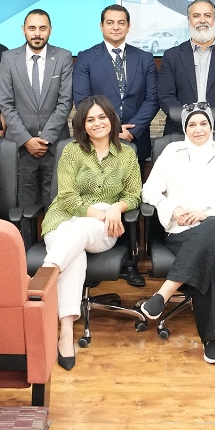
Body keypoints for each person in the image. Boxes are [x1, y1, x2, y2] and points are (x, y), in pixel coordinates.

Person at [136, 106, 215, 364]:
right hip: (181, 229)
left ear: (212, 127)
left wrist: (206, 213)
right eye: (192, 125)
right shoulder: (171, 152)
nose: (198, 129)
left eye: (203, 124)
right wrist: (172, 209)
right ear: (184, 128)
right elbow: (149, 191)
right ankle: (211, 340)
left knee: (208, 228)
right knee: (205, 258)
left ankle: (163, 294)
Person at [39, 96, 142, 370]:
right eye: (90, 119)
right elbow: (67, 198)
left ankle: (44, 277)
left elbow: (134, 195)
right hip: (63, 219)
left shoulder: (127, 155)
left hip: (104, 228)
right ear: (82, 125)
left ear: (112, 119)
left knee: (83, 230)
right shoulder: (72, 152)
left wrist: (115, 208)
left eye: (102, 117)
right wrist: (99, 212)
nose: (97, 123)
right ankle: (65, 332)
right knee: (76, 255)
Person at [71, 4, 157, 285]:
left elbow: (152, 99)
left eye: (121, 22)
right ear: (101, 26)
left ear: (129, 26)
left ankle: (129, 262)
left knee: (129, 201)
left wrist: (133, 129)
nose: (116, 27)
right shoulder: (86, 58)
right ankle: (95, 261)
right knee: (98, 197)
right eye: (110, 22)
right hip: (96, 143)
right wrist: (113, 129)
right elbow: (83, 100)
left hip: (135, 141)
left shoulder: (144, 58)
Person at [0, 9, 73, 244]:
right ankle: (27, 253)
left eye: (42, 28)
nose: (37, 33)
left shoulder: (63, 57)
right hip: (21, 147)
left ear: (50, 30)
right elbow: (6, 104)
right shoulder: (9, 58)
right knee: (24, 206)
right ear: (23, 30)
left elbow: (65, 102)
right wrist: (27, 140)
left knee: (57, 203)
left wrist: (45, 138)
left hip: (55, 145)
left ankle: (56, 251)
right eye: (32, 28)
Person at [157, 0, 215, 149]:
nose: (202, 20)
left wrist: (208, 122)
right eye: (196, 16)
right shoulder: (171, 56)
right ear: (189, 21)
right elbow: (166, 96)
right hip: (179, 135)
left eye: (207, 15)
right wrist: (191, 123)